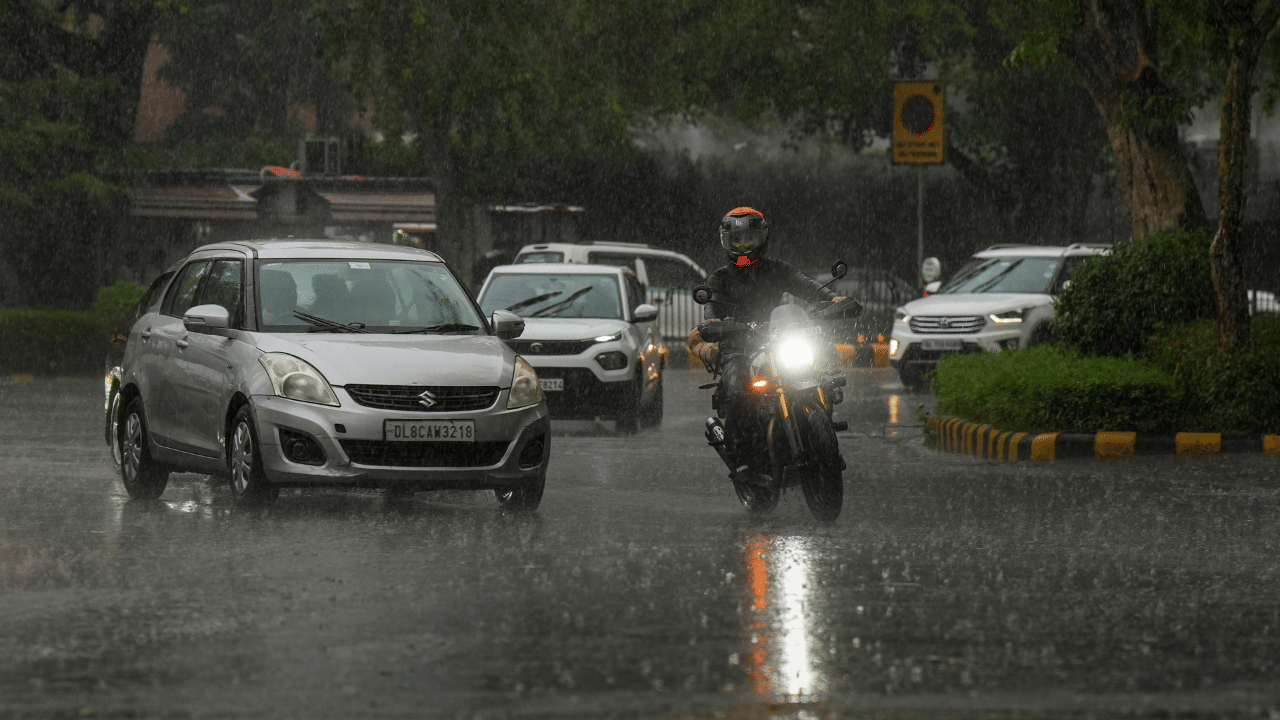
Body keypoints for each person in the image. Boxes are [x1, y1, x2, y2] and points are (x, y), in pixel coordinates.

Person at [687, 207, 847, 463]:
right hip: (738, 347)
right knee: (740, 389)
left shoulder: (777, 269)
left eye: (748, 238)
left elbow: (804, 284)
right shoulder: (720, 278)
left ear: (762, 238)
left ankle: (821, 433)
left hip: (776, 340)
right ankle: (740, 450)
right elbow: (712, 305)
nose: (742, 246)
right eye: (736, 240)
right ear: (726, 242)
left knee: (823, 377)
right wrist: (714, 322)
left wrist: (833, 299)